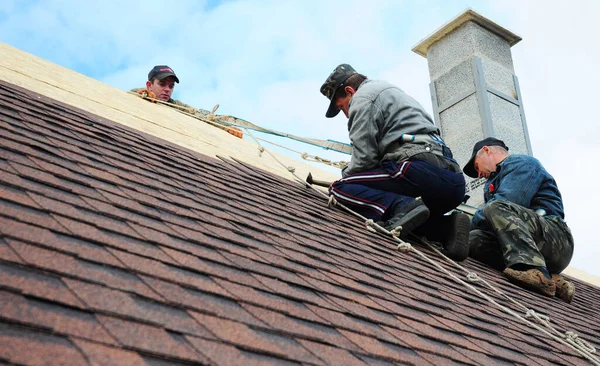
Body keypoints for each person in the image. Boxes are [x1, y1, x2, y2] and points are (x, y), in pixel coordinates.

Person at [320, 64, 470, 261]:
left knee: (341, 188)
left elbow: (364, 159)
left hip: (416, 167)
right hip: (453, 182)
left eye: (342, 107)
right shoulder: (391, 91)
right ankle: (445, 228)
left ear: (350, 91)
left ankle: (403, 206)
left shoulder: (363, 98)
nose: (346, 115)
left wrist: (347, 175)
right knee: (408, 218)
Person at [464, 137, 575, 303]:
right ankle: (550, 278)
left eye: (477, 166)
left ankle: (534, 271)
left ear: (486, 150)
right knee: (473, 240)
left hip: (556, 239)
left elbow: (510, 201)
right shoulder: (495, 181)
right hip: (533, 244)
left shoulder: (522, 163)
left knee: (494, 207)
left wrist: (464, 223)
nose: (479, 174)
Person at [131, 65, 242, 138]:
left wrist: (225, 127)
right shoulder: (138, 94)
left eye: (171, 86)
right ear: (149, 85)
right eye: (162, 84)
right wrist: (142, 95)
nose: (167, 89)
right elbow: (129, 96)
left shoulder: (176, 105)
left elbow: (199, 115)